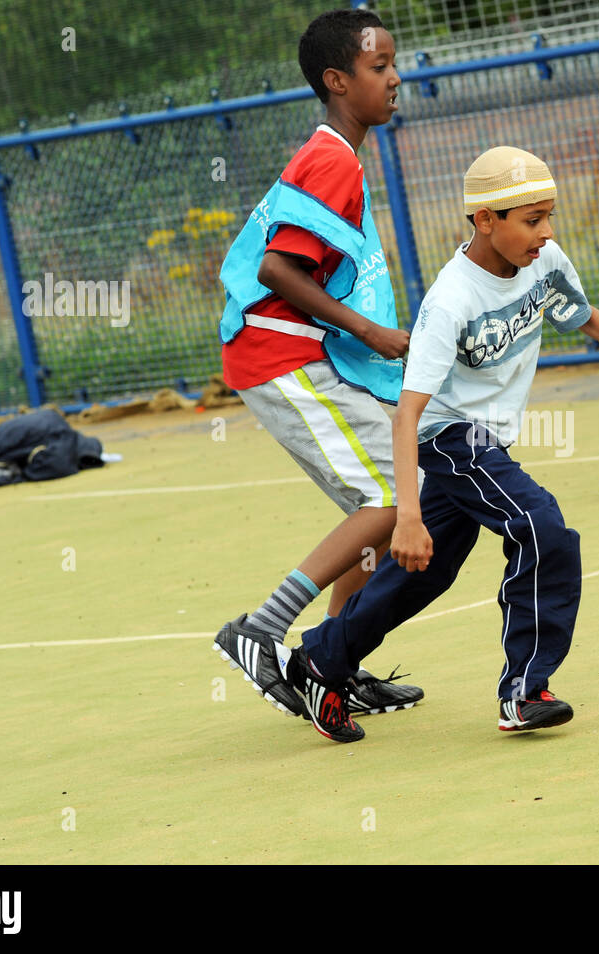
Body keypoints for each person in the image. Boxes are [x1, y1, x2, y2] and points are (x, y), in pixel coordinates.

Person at [285, 146, 599, 743]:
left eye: (548, 216)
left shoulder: (543, 260)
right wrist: (406, 515)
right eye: (531, 220)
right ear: (486, 221)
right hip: (452, 439)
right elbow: (408, 416)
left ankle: (320, 662)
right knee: (542, 527)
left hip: (488, 443)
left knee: (422, 575)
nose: (546, 231)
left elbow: (580, 313)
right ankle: (524, 691)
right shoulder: (452, 299)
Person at [211, 8, 422, 720]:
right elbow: (278, 268)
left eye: (394, 64)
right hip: (278, 354)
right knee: (393, 497)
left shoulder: (338, 155)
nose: (395, 79)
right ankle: (263, 629)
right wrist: (370, 330)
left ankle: (333, 665)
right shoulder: (332, 157)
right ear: (337, 81)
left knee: (378, 514)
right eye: (378, 67)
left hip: (289, 352)